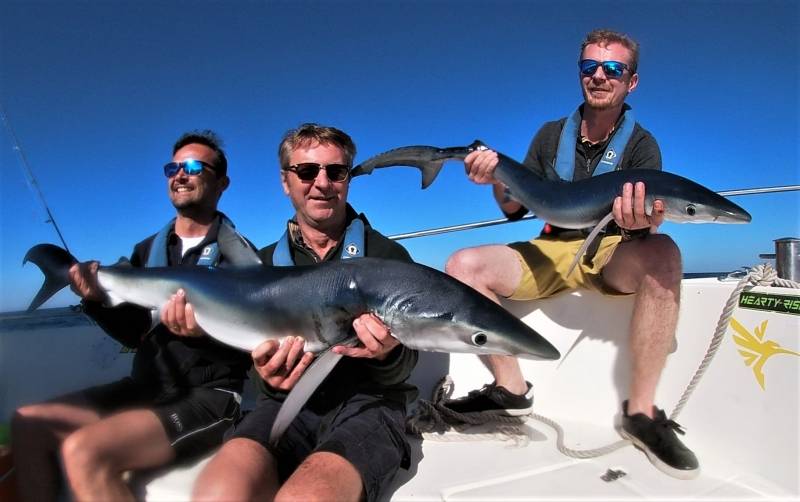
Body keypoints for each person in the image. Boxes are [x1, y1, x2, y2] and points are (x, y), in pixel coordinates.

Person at [444, 29, 699, 479]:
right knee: (462, 265)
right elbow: (514, 207)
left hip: (610, 249)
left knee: (664, 253)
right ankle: (511, 390)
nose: (600, 76)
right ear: (581, 73)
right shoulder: (549, 136)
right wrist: (495, 180)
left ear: (631, 81)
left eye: (613, 69)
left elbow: (644, 224)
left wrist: (643, 221)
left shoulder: (642, 146)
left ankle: (640, 413)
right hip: (549, 247)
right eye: (590, 67)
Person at [11, 130, 257, 501]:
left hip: (209, 397)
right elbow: (134, 334)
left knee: (85, 451)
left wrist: (200, 335)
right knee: (28, 424)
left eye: (192, 166)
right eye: (172, 167)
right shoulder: (146, 252)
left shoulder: (241, 257)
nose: (180, 174)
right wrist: (94, 299)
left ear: (222, 183)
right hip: (146, 388)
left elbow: (252, 340)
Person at [191, 124, 419, 502]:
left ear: (348, 178)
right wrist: (268, 379)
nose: (322, 182)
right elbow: (254, 361)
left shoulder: (387, 259)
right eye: (307, 171)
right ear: (286, 181)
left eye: (336, 171)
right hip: (286, 404)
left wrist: (388, 353)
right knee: (218, 493)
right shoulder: (261, 268)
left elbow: (407, 362)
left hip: (369, 404)